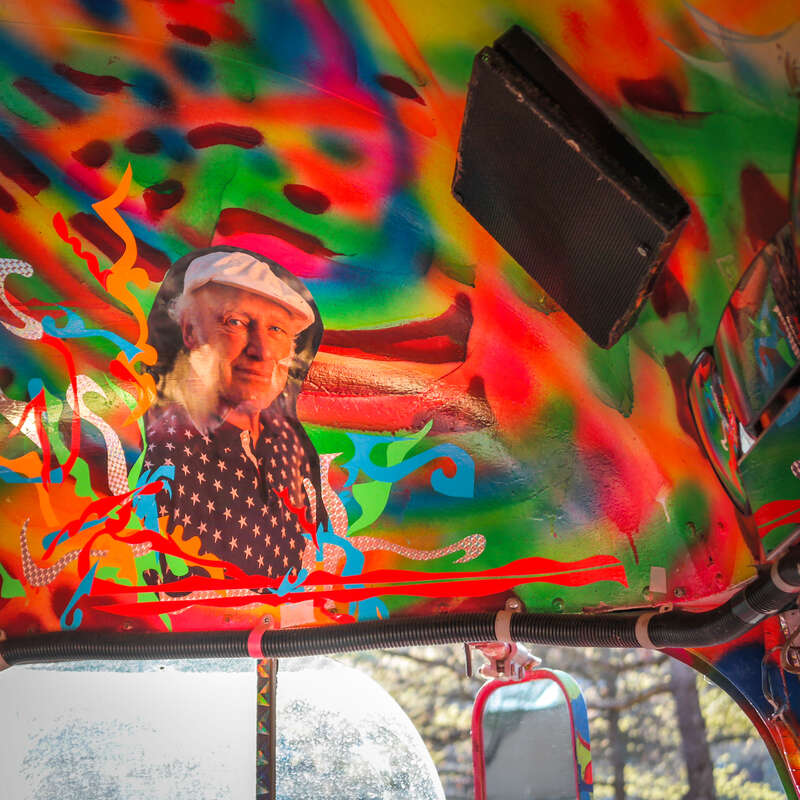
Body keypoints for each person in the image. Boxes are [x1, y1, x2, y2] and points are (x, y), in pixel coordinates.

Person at [143, 246, 325, 579]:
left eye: (277, 330)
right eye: (236, 322)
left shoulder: (291, 446)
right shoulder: (163, 449)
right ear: (190, 331)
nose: (262, 351)